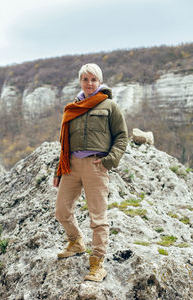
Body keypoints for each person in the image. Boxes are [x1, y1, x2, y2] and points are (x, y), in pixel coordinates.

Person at [53, 63, 128, 282]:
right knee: (61, 210)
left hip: (96, 166)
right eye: (85, 79)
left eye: (93, 79)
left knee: (98, 218)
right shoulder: (72, 108)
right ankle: (76, 242)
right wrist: (60, 169)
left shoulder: (109, 106)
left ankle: (97, 263)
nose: (89, 83)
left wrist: (108, 162)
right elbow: (64, 143)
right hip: (72, 165)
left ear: (100, 81)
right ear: (80, 82)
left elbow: (122, 137)